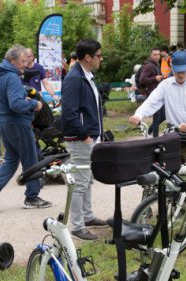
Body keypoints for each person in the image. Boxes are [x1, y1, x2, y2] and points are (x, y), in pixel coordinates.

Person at [0, 45, 51, 210]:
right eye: (22, 61)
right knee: (30, 159)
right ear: (12, 60)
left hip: (3, 123)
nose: (25, 64)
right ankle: (32, 197)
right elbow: (16, 104)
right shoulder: (12, 77)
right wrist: (34, 104)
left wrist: (19, 102)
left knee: (11, 161)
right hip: (18, 123)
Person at [61, 39, 109, 241]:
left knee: (87, 179)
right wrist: (85, 136)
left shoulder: (86, 75)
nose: (101, 58)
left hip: (89, 136)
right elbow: (69, 113)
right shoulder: (74, 78)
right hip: (81, 139)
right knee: (80, 182)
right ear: (88, 57)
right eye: (98, 55)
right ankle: (77, 226)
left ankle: (87, 218)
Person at [129, 50, 186, 160]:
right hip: (174, 137)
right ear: (171, 67)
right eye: (177, 71)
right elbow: (152, 101)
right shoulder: (165, 85)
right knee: (172, 173)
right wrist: (138, 115)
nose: (180, 75)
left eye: (183, 71)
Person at [138, 47, 165, 137]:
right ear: (151, 55)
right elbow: (142, 79)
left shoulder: (156, 64)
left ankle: (149, 131)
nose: (157, 56)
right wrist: (155, 78)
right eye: (155, 54)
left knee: (163, 115)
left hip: (159, 93)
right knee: (157, 118)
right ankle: (155, 137)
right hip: (152, 94)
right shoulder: (149, 66)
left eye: (158, 54)